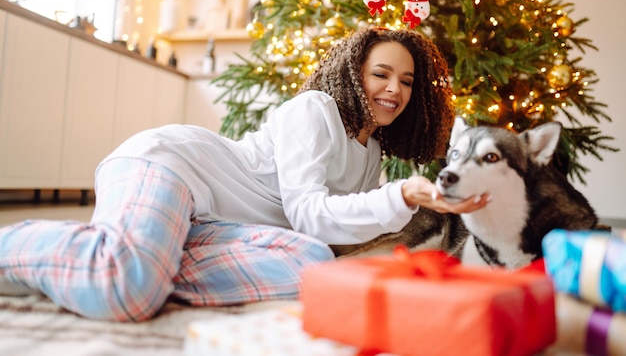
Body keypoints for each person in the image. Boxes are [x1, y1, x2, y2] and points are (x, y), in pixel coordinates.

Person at [0, 27, 489, 322]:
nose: (394, 90)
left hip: (213, 224)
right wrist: (402, 195)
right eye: (380, 73)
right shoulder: (314, 109)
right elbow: (309, 213)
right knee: (126, 289)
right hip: (172, 167)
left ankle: (146, 255)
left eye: (406, 81)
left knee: (312, 263)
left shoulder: (372, 153)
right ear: (353, 72)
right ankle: (46, 250)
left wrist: (421, 199)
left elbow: (326, 234)